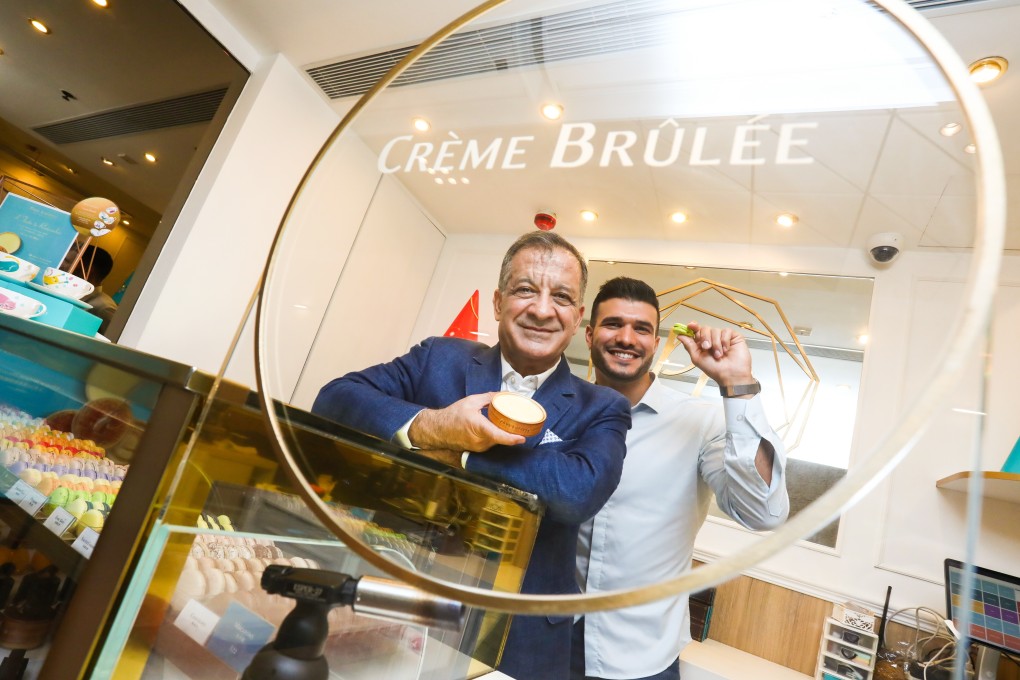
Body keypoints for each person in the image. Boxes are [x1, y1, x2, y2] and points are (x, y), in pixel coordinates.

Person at [312, 231, 632, 680]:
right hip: (395, 602)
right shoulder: (438, 358)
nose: (542, 309)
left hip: (520, 635)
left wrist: (461, 453)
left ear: (578, 317)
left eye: (561, 297)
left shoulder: (602, 406)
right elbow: (334, 400)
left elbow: (577, 491)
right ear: (499, 303)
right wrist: (434, 425)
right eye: (525, 290)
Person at [572, 277, 790, 680]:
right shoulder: (561, 411)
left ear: (656, 342)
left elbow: (765, 514)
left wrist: (736, 385)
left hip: (642, 658)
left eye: (641, 328)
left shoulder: (700, 422)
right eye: (612, 324)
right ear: (588, 334)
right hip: (547, 640)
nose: (626, 338)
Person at [71, 245, 118, 335]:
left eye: (68, 261)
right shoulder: (69, 293)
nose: (62, 265)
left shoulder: (104, 307)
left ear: (88, 269)